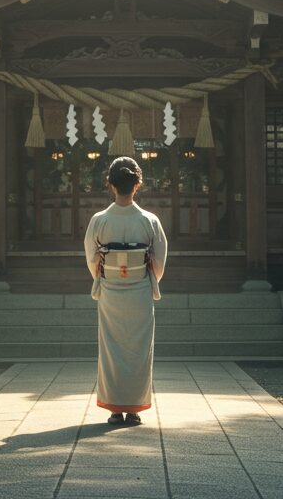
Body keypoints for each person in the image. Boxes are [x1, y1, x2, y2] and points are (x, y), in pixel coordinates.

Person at [84, 156, 168, 425]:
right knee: (139, 349)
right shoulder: (149, 220)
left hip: (110, 291)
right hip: (140, 291)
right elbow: (158, 261)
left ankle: (115, 409)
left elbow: (92, 260)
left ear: (110, 185)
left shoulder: (100, 220)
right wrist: (145, 276)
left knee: (111, 349)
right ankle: (133, 409)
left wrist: (106, 275)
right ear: (137, 184)